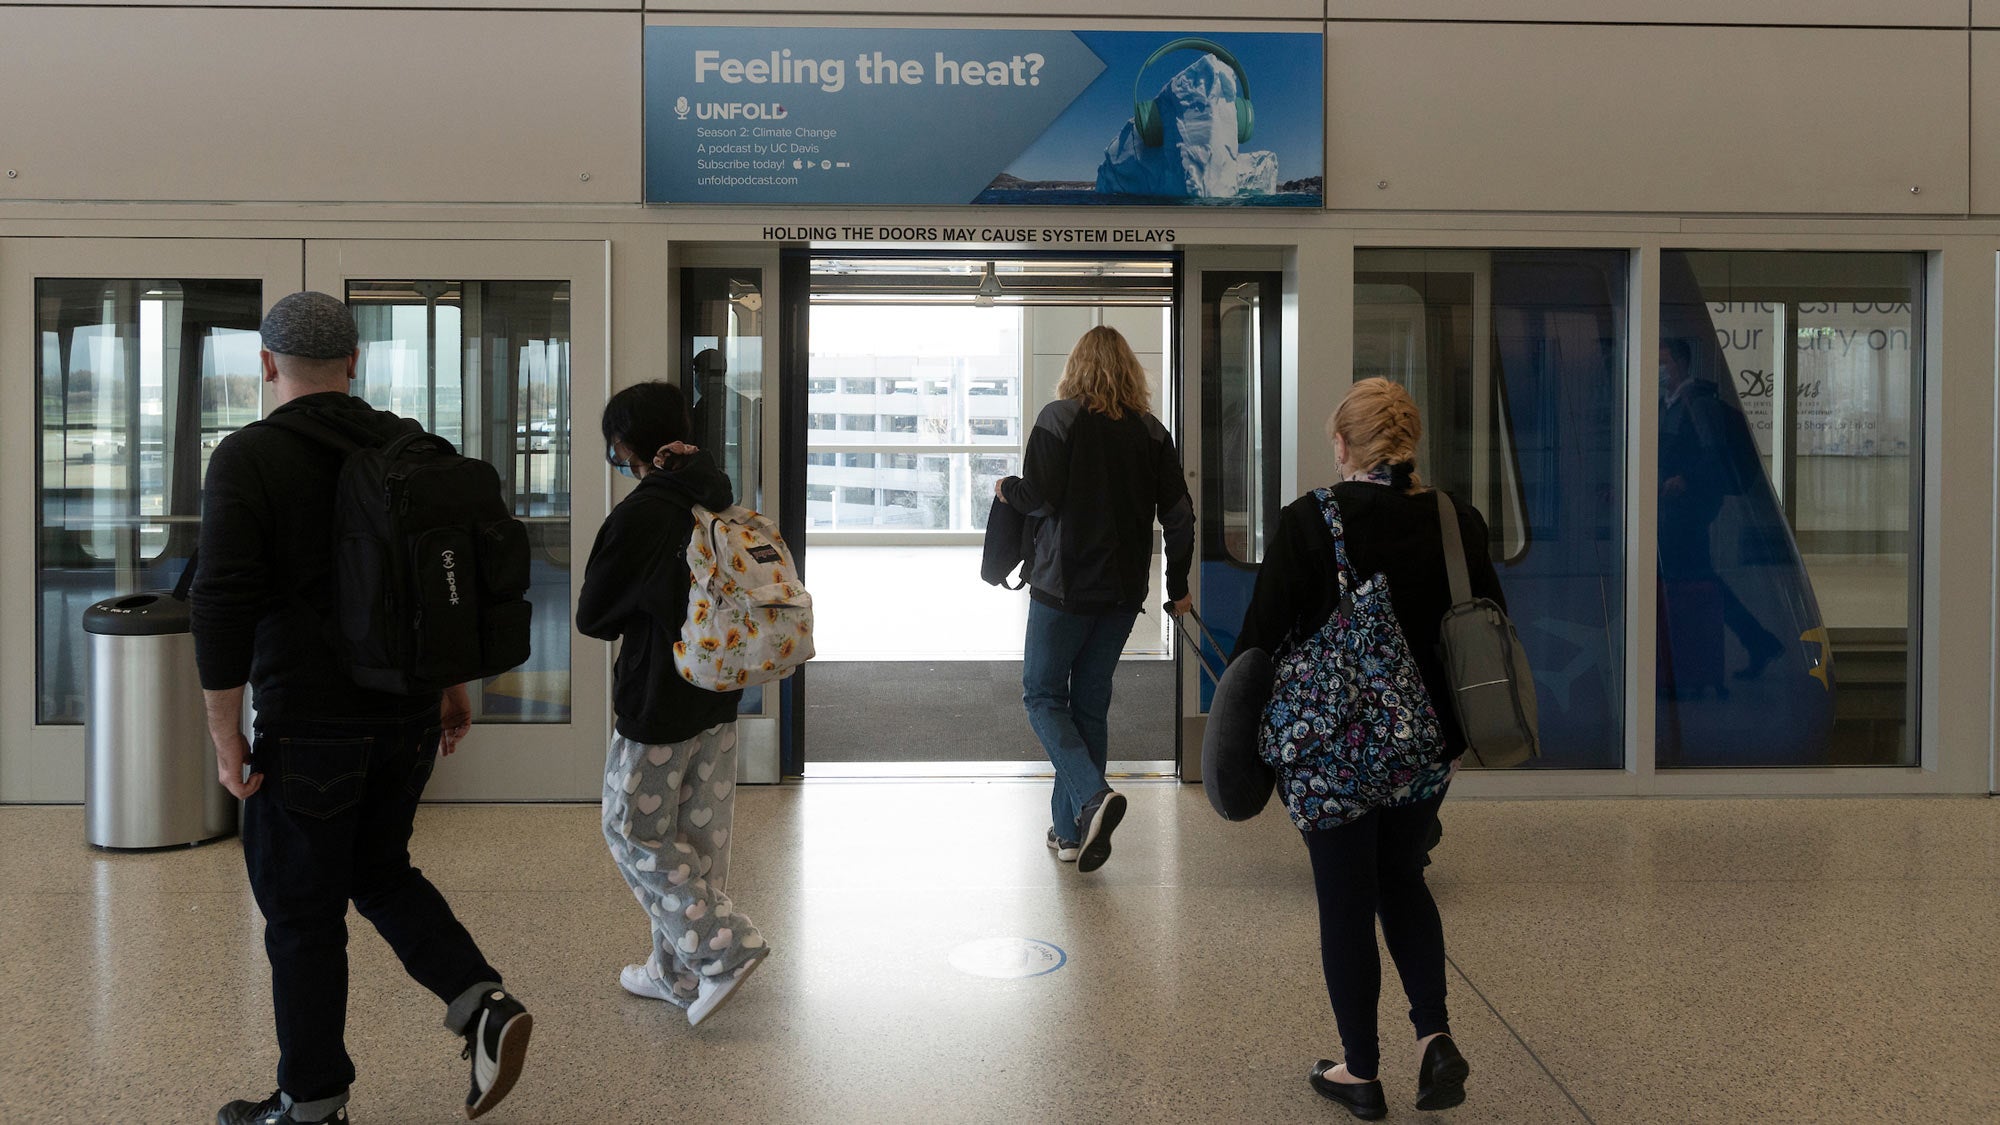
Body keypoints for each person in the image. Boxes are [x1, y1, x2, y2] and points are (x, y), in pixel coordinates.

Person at [192, 292, 531, 1125]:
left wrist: (224, 730)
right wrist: (451, 687)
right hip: (409, 714)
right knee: (379, 869)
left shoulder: (249, 456)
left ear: (267, 364)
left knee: (302, 915)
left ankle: (311, 1103)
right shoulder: (407, 445)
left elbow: (223, 599)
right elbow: (436, 590)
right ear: (355, 362)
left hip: (308, 727)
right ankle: (481, 1000)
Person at [1233, 378, 1502, 1119]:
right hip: (1427, 750)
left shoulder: (1309, 521)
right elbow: (1486, 627)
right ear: (1408, 442)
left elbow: (1258, 639)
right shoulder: (1457, 521)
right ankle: (1435, 1037)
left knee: (1346, 903)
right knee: (1402, 879)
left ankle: (1361, 1070)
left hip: (1334, 754)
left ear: (1345, 444)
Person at [577, 381, 769, 1026]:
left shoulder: (643, 513)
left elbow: (595, 615)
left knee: (631, 828)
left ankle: (724, 947)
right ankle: (675, 972)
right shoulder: (715, 496)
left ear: (627, 446)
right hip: (716, 693)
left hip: (656, 698)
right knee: (695, 838)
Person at [994, 326, 1194, 872]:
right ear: (1132, 371)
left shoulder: (1058, 418)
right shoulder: (1152, 433)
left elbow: (1037, 498)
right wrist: (1176, 587)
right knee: (1088, 704)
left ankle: (1091, 797)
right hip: (1124, 593)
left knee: (1041, 696)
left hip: (1063, 588)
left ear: (1076, 367)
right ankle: (1070, 833)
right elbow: (1179, 518)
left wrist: (1005, 487)